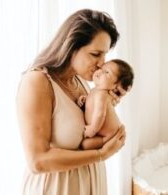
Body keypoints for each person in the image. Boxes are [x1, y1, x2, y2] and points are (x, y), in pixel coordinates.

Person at [16, 9, 127, 195]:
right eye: (95, 54)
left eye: (104, 55)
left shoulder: (81, 81)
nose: (102, 63)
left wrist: (109, 105)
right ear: (71, 47)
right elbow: (37, 161)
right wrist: (101, 155)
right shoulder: (37, 82)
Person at [79, 59, 134, 150]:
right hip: (102, 131)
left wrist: (93, 129)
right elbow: (92, 105)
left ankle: (104, 141)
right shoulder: (96, 91)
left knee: (85, 145)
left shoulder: (102, 95)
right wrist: (85, 100)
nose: (100, 72)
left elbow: (100, 115)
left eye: (107, 72)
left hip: (110, 135)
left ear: (116, 87)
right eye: (101, 68)